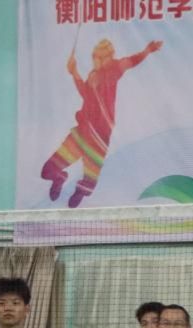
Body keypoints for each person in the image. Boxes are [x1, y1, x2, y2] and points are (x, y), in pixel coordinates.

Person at [40, 37, 163, 208]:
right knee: (47, 171)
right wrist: (75, 73)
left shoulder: (115, 68)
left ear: (110, 57)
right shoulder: (93, 75)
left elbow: (132, 61)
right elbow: (86, 94)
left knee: (89, 180)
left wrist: (147, 50)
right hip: (82, 131)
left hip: (100, 134)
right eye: (95, 57)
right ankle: (60, 178)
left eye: (102, 57)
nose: (97, 60)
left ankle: (80, 191)